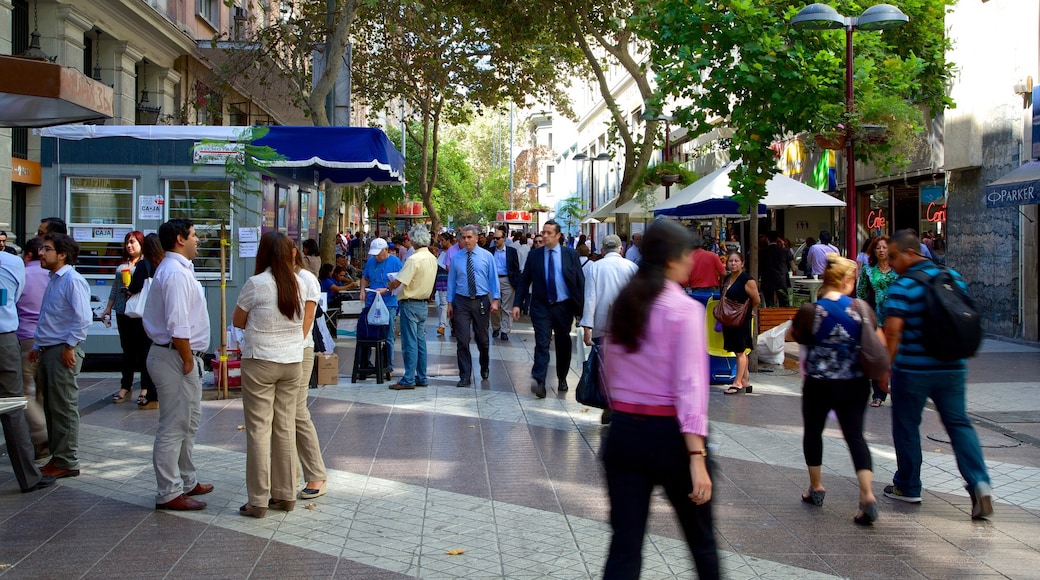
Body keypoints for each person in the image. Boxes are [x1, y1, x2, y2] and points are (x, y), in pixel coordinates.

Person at [601, 220, 719, 579]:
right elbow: (690, 386)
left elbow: (610, 372)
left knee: (625, 546)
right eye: (687, 255)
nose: (691, 262)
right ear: (671, 260)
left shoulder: (624, 303)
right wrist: (696, 456)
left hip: (623, 433)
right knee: (700, 541)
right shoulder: (683, 309)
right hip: (670, 437)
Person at [882, 230, 993, 519]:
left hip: (912, 370)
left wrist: (884, 368)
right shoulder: (952, 276)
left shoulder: (903, 285)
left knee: (906, 426)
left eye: (893, 256)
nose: (890, 262)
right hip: (953, 367)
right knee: (959, 424)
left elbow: (892, 331)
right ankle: (979, 483)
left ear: (910, 252)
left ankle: (908, 485)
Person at [788, 253, 880, 525]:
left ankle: (816, 487)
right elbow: (873, 335)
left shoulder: (811, 311)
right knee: (855, 437)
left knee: (814, 432)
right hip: (855, 383)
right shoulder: (861, 309)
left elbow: (794, 336)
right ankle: (867, 494)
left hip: (819, 383)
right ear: (847, 281)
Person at [233, 231, 310, 518]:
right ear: (290, 254)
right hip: (292, 362)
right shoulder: (300, 283)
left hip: (261, 361)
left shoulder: (257, 284)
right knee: (285, 427)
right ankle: (286, 493)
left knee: (258, 429)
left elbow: (238, 320)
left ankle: (258, 499)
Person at [143, 219, 213, 511]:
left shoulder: (181, 269)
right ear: (180, 239)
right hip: (175, 356)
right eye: (194, 235)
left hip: (182, 356)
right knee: (174, 425)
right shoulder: (174, 273)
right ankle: (169, 491)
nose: (198, 240)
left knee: (189, 422)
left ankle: (187, 479)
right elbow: (177, 324)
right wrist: (186, 359)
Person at [30, 233, 91, 481]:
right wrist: (37, 344)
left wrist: (69, 345)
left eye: (47, 249)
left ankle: (67, 460)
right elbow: (49, 315)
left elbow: (83, 318)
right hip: (48, 349)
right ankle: (58, 457)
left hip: (61, 351)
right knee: (52, 407)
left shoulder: (72, 280)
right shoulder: (54, 279)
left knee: (63, 407)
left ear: (62, 254)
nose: (41, 253)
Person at [0, 244, 56, 493]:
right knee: (12, 406)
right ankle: (28, 476)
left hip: (13, 339)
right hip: (5, 339)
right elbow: (14, 296)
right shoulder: (12, 263)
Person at [512, 220, 585, 398]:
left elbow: (579, 282)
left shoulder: (570, 254)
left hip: (563, 307)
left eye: (548, 233)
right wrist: (517, 303)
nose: (544, 236)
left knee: (563, 342)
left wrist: (581, 309)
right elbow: (524, 280)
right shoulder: (535, 255)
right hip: (541, 306)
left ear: (558, 236)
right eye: (543, 232)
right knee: (542, 343)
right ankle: (539, 381)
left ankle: (562, 377)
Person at [579, 234, 636, 425]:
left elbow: (590, 298)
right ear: (621, 249)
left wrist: (587, 326)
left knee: (605, 367)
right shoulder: (631, 267)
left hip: (602, 326)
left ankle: (610, 402)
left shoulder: (596, 267)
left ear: (602, 251)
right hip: (627, 325)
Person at [291, 247, 328, 501]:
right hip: (277, 355)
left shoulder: (305, 279)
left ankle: (315, 472)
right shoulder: (270, 277)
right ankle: (288, 473)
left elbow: (306, 321)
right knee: (280, 415)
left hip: (297, 351)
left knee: (297, 410)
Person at [447, 225, 500, 387]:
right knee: (462, 339)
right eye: (463, 237)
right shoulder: (456, 258)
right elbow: (452, 281)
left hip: (481, 301)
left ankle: (484, 365)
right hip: (461, 301)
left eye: (469, 237)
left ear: (477, 238)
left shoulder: (486, 256)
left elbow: (493, 278)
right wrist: (449, 302)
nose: (466, 240)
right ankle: (465, 375)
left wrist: (495, 300)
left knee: (482, 339)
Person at [386, 225, 437, 390]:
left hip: (410, 303)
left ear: (414, 240)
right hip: (423, 303)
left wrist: (389, 286)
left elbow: (399, 280)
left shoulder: (414, 259)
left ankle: (408, 378)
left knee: (410, 343)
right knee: (420, 342)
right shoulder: (431, 258)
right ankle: (421, 376)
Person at [102, 231, 147, 404]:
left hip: (140, 312)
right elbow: (115, 288)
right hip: (122, 312)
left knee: (143, 350)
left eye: (133, 242)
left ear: (141, 244)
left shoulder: (145, 265)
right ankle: (125, 385)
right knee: (127, 351)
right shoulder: (122, 267)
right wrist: (108, 308)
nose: (129, 246)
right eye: (127, 243)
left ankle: (145, 386)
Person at [15, 238, 50, 462]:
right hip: (50, 340)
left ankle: (40, 436)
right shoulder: (54, 276)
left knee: (23, 392)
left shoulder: (21, 275)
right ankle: (51, 439)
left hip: (26, 338)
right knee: (44, 393)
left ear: (28, 255)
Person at [856, 235, 899, 408]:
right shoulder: (868, 269)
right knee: (877, 357)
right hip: (876, 319)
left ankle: (898, 392)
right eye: (878, 248)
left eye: (884, 247)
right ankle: (878, 394)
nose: (881, 250)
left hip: (895, 319)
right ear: (873, 251)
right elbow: (860, 294)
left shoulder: (898, 269)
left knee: (896, 356)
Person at [359, 238, 402, 378]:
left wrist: (387, 290)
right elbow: (365, 277)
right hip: (372, 300)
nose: (376, 256)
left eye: (379, 253)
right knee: (367, 332)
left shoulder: (395, 262)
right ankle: (365, 363)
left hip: (388, 302)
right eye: (374, 254)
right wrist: (363, 290)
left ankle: (387, 364)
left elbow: (400, 281)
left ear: (386, 250)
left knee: (387, 334)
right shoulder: (371, 261)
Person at [720, 250, 760, 395]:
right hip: (729, 318)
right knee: (739, 350)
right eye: (731, 261)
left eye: (736, 261)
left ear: (742, 263)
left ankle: (737, 382)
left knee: (740, 351)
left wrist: (749, 310)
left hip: (741, 318)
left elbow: (756, 299)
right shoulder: (727, 278)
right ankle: (744, 381)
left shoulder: (747, 280)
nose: (733, 263)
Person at [490, 228, 521, 341]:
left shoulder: (511, 251)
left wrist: (516, 282)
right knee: (494, 306)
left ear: (504, 239)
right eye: (494, 238)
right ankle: (496, 327)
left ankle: (505, 330)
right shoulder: (490, 251)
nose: (495, 240)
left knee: (507, 307)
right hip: (493, 281)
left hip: (507, 280)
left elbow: (516, 267)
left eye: (498, 238)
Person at [759, 230, 792, 307]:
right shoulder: (783, 251)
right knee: (784, 303)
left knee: (769, 303)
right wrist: (783, 245)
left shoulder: (763, 252)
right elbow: (790, 260)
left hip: (767, 280)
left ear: (767, 239)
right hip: (781, 279)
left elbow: (760, 266)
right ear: (777, 239)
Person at [434, 233, 453, 336]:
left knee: (450, 304)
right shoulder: (440, 252)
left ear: (448, 240)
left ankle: (450, 324)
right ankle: (442, 325)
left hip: (451, 280)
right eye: (439, 241)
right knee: (443, 303)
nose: (440, 243)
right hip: (441, 279)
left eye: (442, 240)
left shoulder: (454, 251)